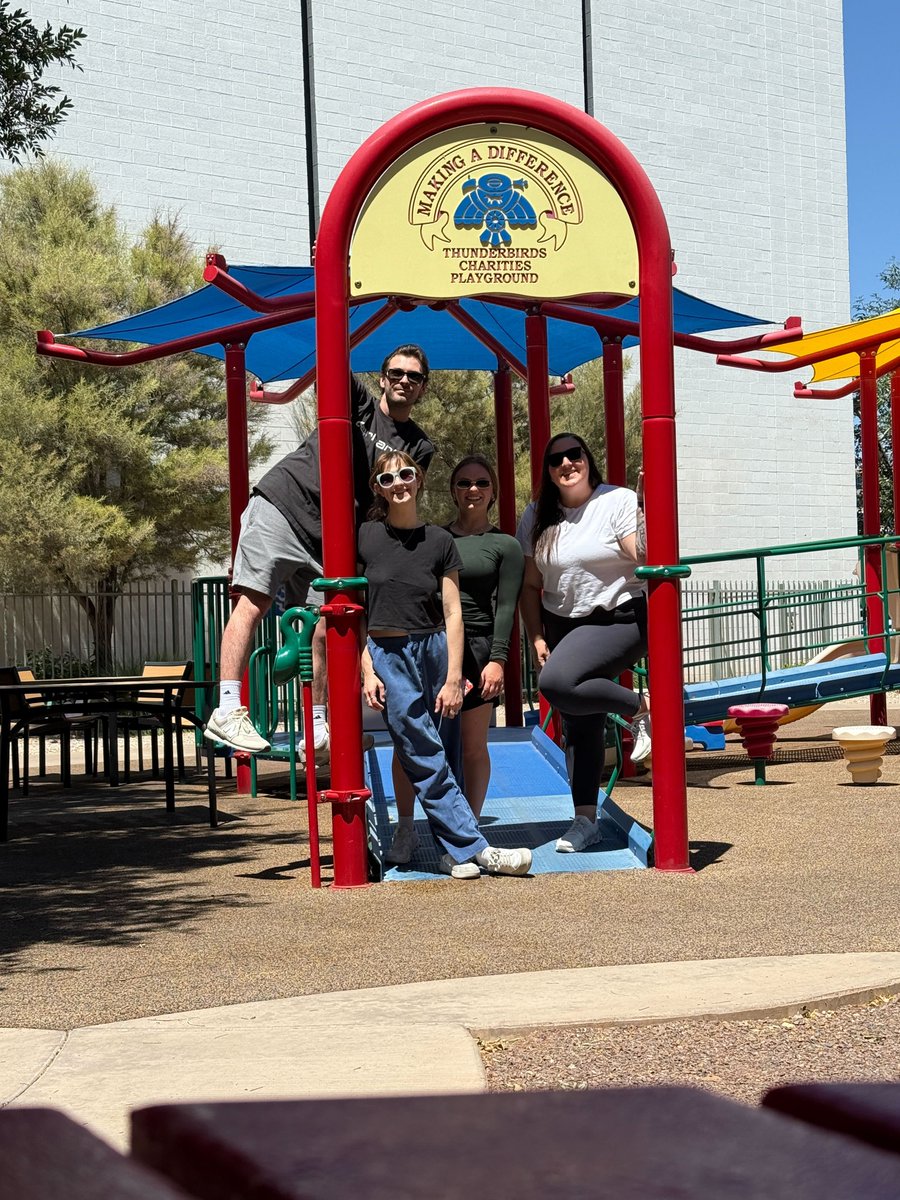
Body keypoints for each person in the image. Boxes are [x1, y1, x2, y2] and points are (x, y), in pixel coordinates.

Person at [204, 345, 434, 756]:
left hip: (331, 537)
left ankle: (316, 725)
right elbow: (331, 359)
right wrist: (348, 313)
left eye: (414, 376)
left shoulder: (419, 445)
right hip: (286, 504)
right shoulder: (361, 405)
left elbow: (399, 499)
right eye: (396, 373)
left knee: (324, 627)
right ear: (382, 379)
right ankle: (227, 708)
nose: (404, 380)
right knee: (253, 602)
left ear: (423, 387)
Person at [358, 450, 532, 879]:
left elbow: (453, 612)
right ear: (378, 488)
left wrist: (455, 677)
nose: (399, 483)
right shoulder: (365, 536)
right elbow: (355, 610)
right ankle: (475, 846)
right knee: (420, 746)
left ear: (419, 480)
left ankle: (453, 851)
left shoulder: (438, 541)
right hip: (388, 651)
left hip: (436, 649)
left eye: (406, 474)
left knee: (448, 749)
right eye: (387, 479)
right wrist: (366, 668)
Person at [516, 432, 650, 854]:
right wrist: (536, 635)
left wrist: (645, 507)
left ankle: (640, 707)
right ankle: (585, 820)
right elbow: (530, 584)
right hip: (562, 623)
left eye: (574, 455)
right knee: (578, 719)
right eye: (556, 459)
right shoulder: (537, 514)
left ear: (588, 459)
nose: (566, 464)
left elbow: (642, 555)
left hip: (619, 617)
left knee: (557, 683)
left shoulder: (616, 500)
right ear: (547, 471)